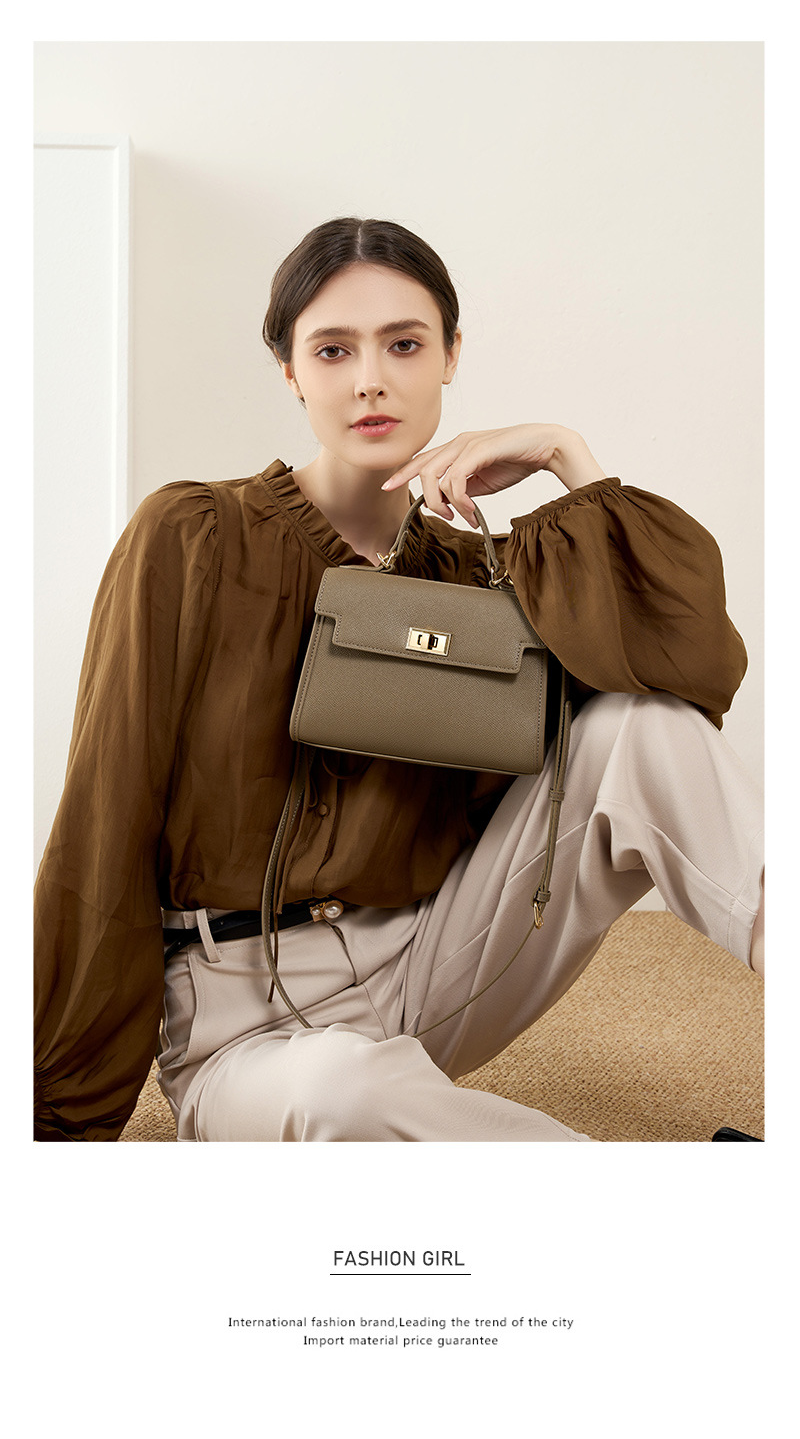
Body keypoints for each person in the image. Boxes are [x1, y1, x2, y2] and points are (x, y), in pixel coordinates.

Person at [33, 217, 764, 1143]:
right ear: (290, 371)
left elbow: (684, 667)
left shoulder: (483, 576)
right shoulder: (193, 536)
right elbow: (105, 810)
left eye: (405, 344)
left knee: (640, 727)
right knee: (342, 1093)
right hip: (238, 1027)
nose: (370, 379)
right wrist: (58, 1118)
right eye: (332, 350)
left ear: (451, 355)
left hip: (432, 960)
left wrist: (564, 457)